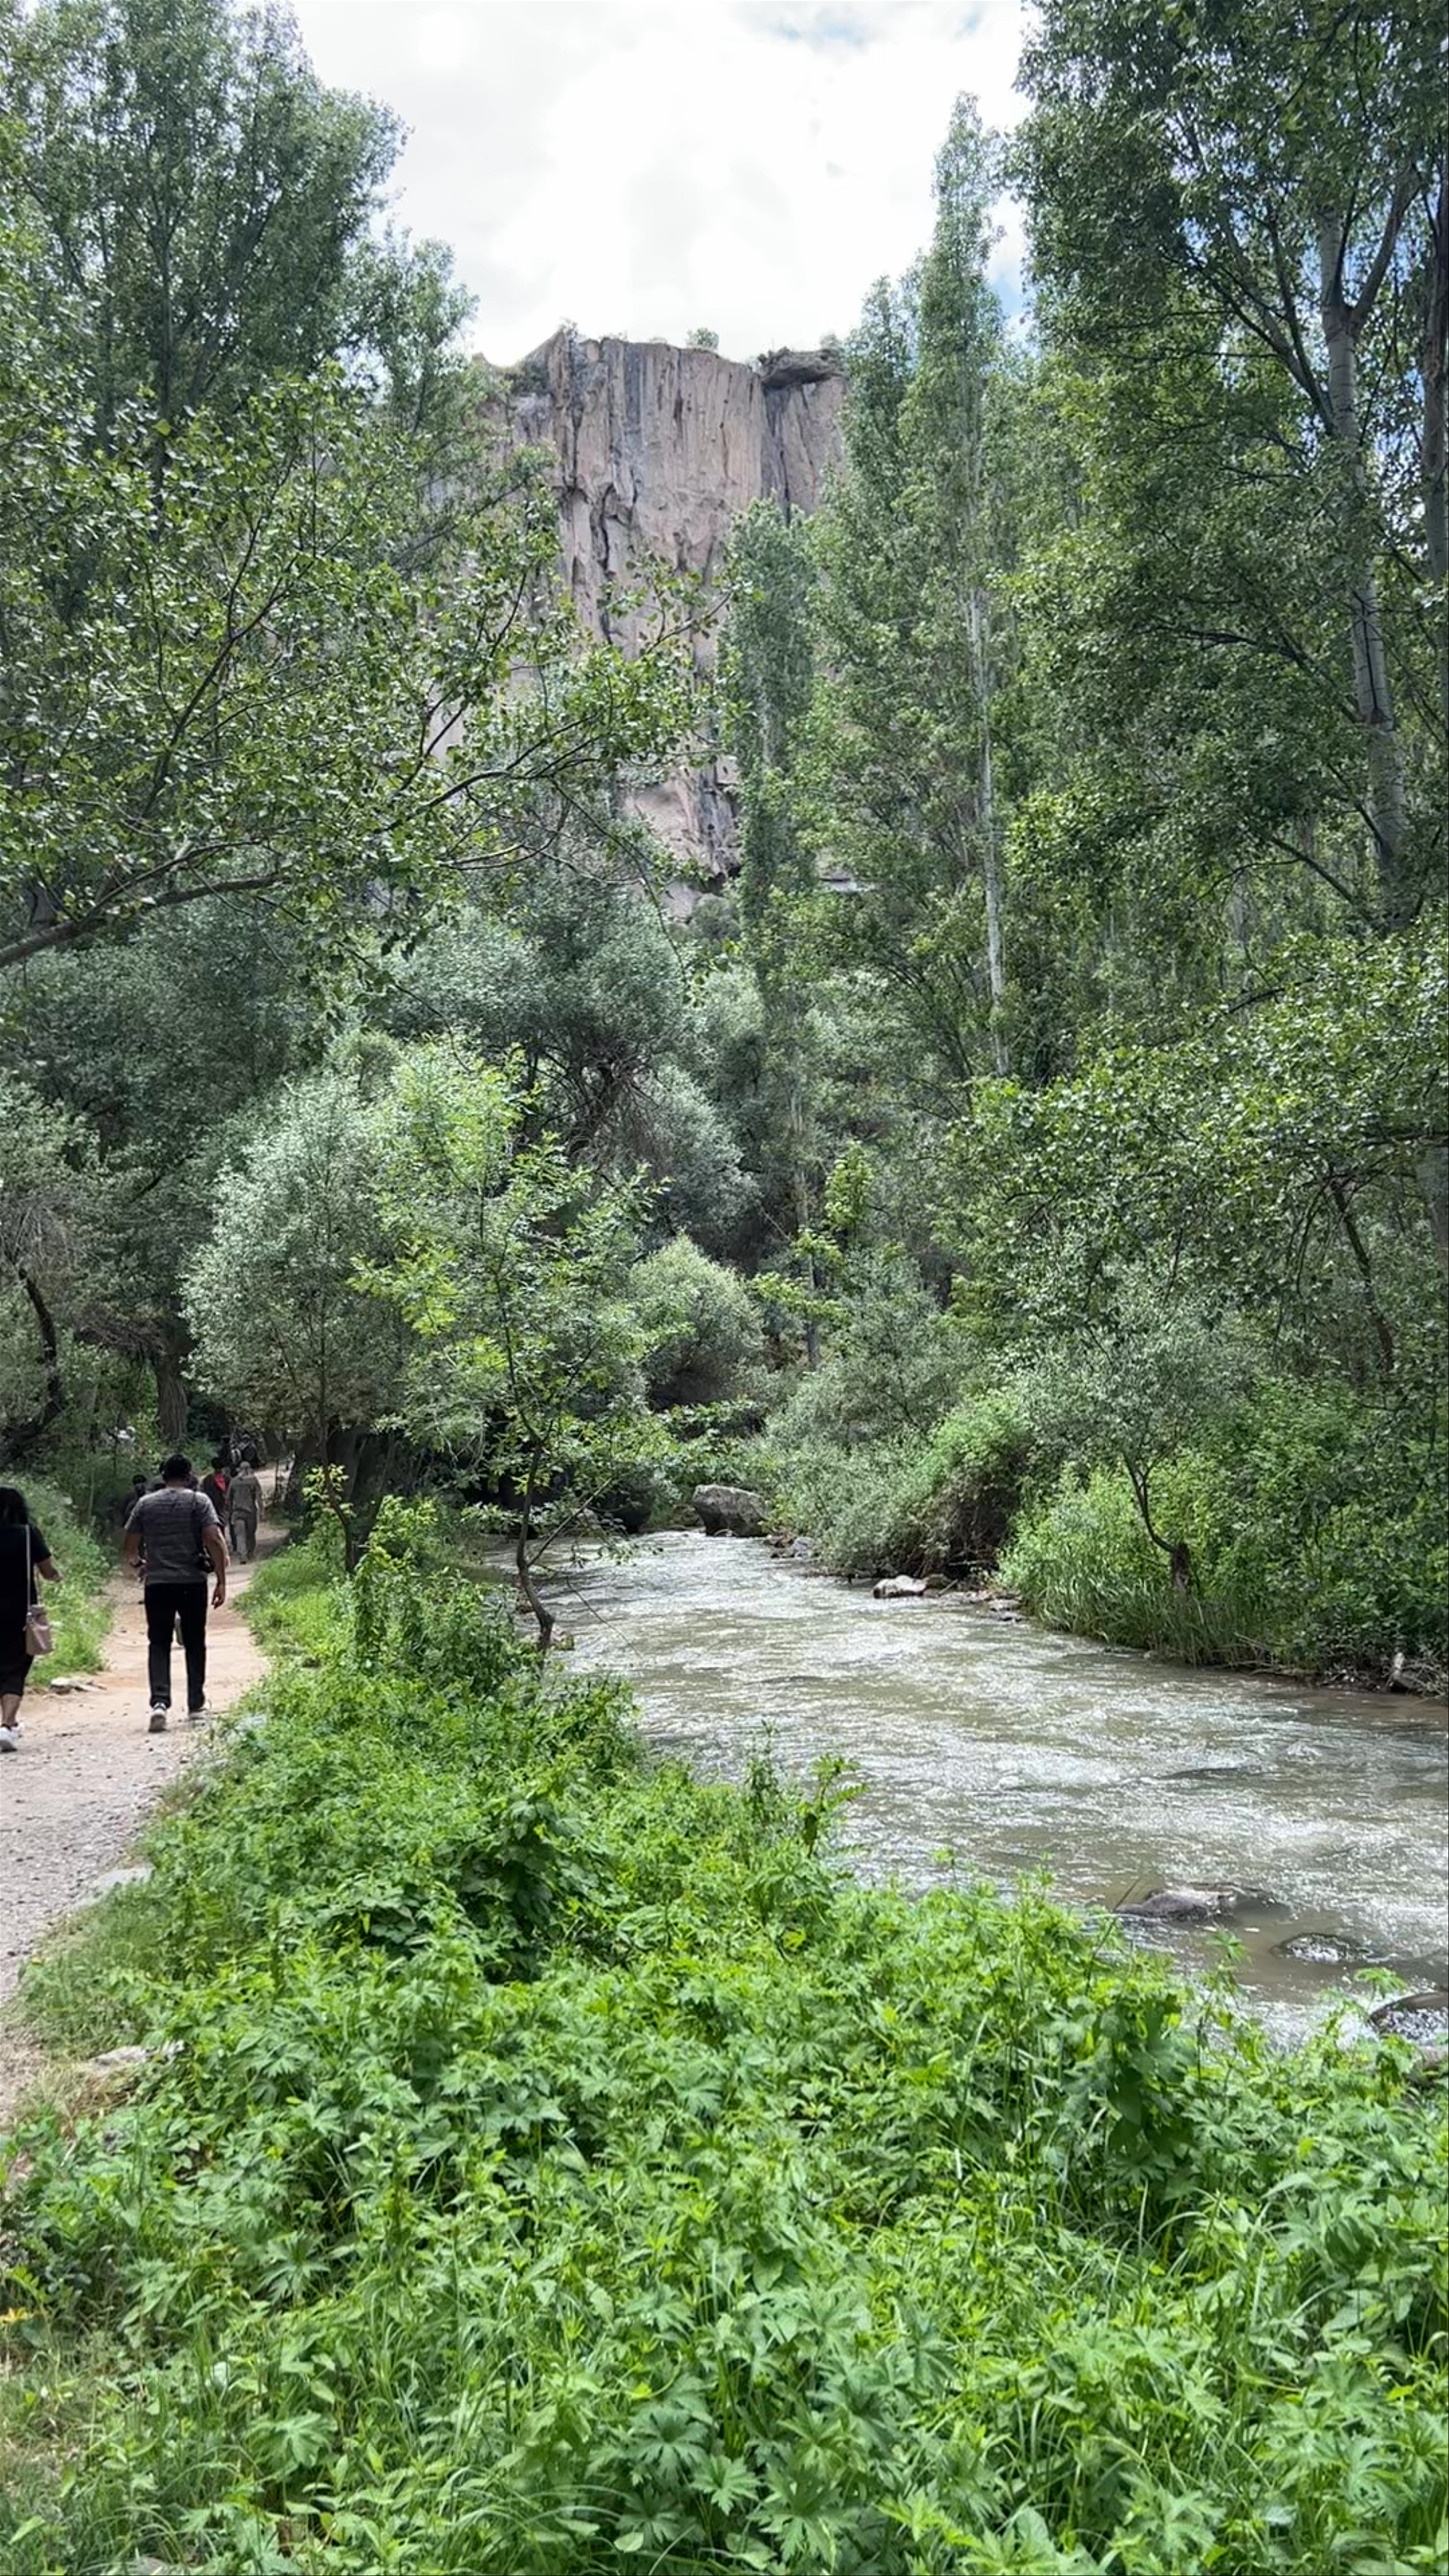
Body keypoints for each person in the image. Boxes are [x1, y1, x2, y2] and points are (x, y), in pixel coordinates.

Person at [123, 1454, 228, 1733]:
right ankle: (196, 1706)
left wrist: (139, 1564)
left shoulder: (145, 1504)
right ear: (189, 1474)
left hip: (157, 1584)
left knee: (158, 1642)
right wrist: (221, 1579)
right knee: (195, 1642)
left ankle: (159, 1703)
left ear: (163, 1476)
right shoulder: (199, 1501)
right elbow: (214, 1539)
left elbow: (130, 1545)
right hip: (192, 1583)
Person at [0, 1486, 59, 1752]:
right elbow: (47, 1571)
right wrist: (56, 1576)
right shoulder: (27, 1534)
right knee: (15, 1667)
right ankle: (7, 1724)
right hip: (19, 1613)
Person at [227, 1456, 263, 1563]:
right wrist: (262, 1511)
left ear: (239, 1470)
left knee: (240, 1535)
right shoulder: (254, 1481)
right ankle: (250, 1554)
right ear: (250, 1469)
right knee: (251, 1534)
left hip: (237, 1512)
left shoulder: (234, 1482)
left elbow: (228, 1499)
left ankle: (243, 1555)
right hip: (251, 1512)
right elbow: (259, 1497)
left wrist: (229, 1512)